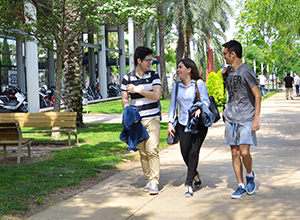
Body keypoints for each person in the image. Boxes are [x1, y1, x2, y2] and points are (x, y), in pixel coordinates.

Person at [221, 40, 261, 199]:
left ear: (233, 54)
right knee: (234, 152)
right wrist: (224, 78)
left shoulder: (247, 71)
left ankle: (249, 175)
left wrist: (256, 119)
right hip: (231, 117)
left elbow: (257, 95)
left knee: (244, 152)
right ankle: (240, 185)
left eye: (225, 53)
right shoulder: (229, 72)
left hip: (246, 117)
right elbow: (231, 91)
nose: (223, 57)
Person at [121, 46, 162, 195]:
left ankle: (154, 182)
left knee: (152, 149)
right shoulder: (127, 79)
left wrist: (138, 90)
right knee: (143, 153)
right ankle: (148, 179)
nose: (150, 63)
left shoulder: (154, 76)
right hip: (137, 121)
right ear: (139, 60)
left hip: (152, 118)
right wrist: (130, 114)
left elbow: (156, 95)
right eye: (148, 60)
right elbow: (125, 100)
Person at [168, 58, 210, 197]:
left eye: (180, 67)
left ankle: (188, 184)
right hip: (183, 124)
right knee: (185, 152)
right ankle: (195, 174)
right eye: (178, 67)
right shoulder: (176, 86)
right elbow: (173, 106)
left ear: (189, 69)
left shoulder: (198, 84)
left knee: (193, 153)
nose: (178, 69)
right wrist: (169, 122)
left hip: (198, 124)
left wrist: (199, 109)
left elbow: (206, 101)